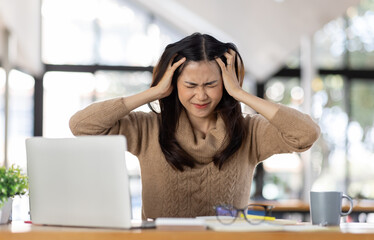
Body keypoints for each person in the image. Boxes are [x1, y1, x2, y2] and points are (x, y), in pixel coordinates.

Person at [69, 32, 320, 220]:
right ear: (173, 84)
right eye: (190, 85)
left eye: (211, 84)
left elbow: (306, 134)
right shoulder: (147, 128)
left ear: (225, 84)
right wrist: (153, 92)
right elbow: (82, 126)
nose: (201, 96)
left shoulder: (250, 132)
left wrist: (240, 93)